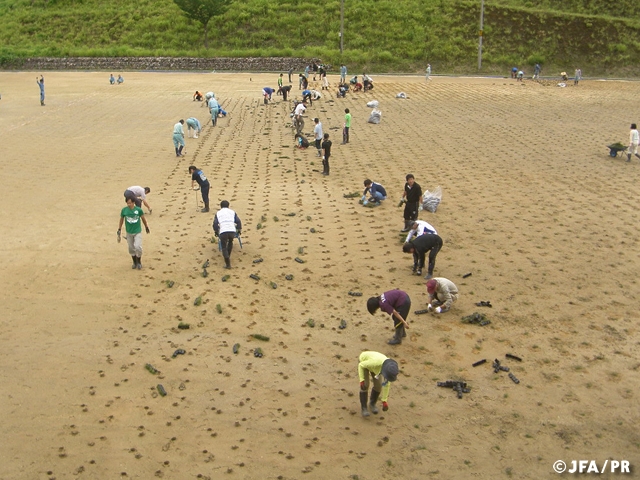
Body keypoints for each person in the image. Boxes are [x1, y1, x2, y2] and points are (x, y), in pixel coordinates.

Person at [357, 351, 399, 417]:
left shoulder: (389, 369)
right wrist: (361, 380)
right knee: (365, 385)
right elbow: (361, 365)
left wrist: (384, 401)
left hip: (375, 368)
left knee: (378, 386)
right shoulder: (376, 363)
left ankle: (372, 403)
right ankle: (364, 408)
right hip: (364, 362)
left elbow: (386, 384)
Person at [118, 197, 150, 270]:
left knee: (138, 247)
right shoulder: (124, 210)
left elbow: (143, 219)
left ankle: (139, 261)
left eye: (130, 203)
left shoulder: (138, 210)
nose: (129, 204)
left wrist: (146, 227)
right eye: (127, 203)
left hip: (137, 231)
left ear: (133, 202)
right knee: (131, 248)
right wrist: (119, 229)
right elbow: (121, 220)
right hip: (129, 232)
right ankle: (134, 262)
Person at [213, 200, 242, 269]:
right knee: (230, 242)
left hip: (223, 231)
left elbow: (215, 224)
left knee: (223, 247)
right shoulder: (232, 212)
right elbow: (238, 221)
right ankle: (228, 256)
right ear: (228, 205)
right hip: (232, 230)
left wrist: (216, 231)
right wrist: (238, 230)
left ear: (221, 206)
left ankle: (228, 263)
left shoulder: (218, 213)